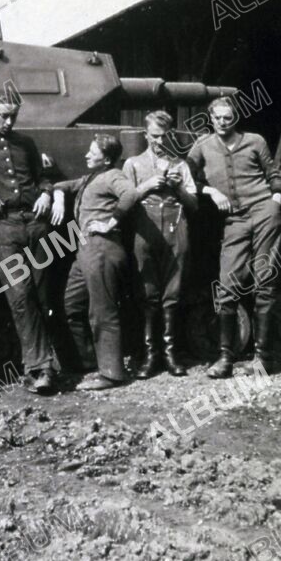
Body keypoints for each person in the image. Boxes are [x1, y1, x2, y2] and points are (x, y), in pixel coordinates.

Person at [0, 99, 59, 395]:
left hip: (36, 222)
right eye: (4, 116)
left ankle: (48, 363)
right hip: (4, 227)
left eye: (13, 116)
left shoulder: (26, 143)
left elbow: (42, 176)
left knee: (42, 295)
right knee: (20, 295)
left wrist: (46, 193)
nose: (9, 122)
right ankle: (39, 369)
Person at [188, 96, 281, 378]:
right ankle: (225, 359)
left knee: (264, 278)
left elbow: (273, 172)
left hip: (264, 211)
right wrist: (211, 191)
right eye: (217, 117)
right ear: (211, 118)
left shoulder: (255, 140)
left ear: (236, 118)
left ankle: (262, 358)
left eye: (227, 117)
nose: (222, 122)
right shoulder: (202, 146)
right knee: (227, 282)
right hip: (234, 220)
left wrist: (275, 199)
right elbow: (186, 176)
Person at [53, 133, 139, 391]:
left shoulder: (113, 175)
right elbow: (66, 185)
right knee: (71, 305)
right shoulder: (92, 177)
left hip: (102, 248)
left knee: (102, 311)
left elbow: (130, 195)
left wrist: (110, 222)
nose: (87, 155)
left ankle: (112, 373)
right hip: (85, 250)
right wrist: (56, 193)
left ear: (107, 159)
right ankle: (89, 362)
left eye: (93, 152)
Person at [123, 110, 199, 378]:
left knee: (172, 292)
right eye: (154, 136)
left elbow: (194, 205)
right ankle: (149, 355)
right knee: (147, 292)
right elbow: (124, 202)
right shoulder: (132, 164)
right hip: (145, 230)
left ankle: (169, 353)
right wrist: (147, 186)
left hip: (176, 229)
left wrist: (177, 188)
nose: (159, 141)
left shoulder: (181, 164)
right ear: (146, 135)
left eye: (164, 136)